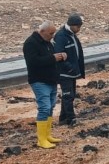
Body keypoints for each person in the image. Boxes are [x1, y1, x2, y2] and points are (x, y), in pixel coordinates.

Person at [22, 21, 66, 149]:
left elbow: (50, 58)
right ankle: (41, 140)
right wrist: (53, 58)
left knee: (50, 107)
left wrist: (60, 57)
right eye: (51, 33)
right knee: (44, 108)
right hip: (39, 80)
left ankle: (47, 135)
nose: (52, 36)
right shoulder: (31, 43)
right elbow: (33, 62)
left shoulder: (47, 42)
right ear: (42, 31)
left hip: (51, 80)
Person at [53, 14, 85, 126]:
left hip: (71, 72)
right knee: (68, 95)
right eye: (77, 27)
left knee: (70, 95)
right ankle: (71, 119)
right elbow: (58, 55)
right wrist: (69, 67)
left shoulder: (72, 35)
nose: (79, 29)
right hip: (65, 73)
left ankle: (63, 118)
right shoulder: (61, 36)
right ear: (71, 25)